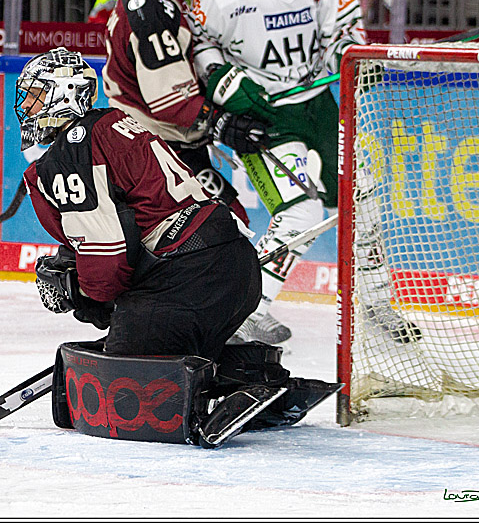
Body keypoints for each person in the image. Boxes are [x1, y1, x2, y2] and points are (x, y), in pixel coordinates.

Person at [17, 47, 338, 449]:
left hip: (186, 280)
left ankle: (236, 393)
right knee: (160, 345)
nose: (26, 106)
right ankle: (263, 376)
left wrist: (86, 295)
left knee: (121, 384)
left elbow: (108, 255)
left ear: (63, 95)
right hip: (235, 267)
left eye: (34, 95)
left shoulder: (71, 154)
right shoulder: (115, 123)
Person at [191, 0, 421, 346]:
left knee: (364, 199)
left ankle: (374, 300)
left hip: (318, 108)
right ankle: (244, 309)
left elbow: (348, 29)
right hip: (265, 118)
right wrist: (231, 89)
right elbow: (199, 42)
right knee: (300, 212)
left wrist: (350, 55)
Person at [102, 0, 253, 229]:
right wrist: (219, 121)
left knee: (228, 223)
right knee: (226, 225)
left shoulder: (162, 2)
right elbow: (171, 103)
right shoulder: (147, 15)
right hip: (154, 150)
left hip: (166, 144)